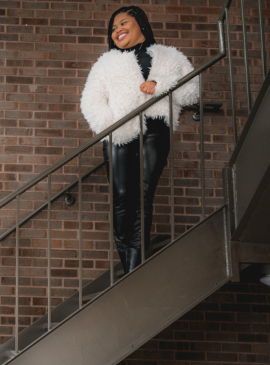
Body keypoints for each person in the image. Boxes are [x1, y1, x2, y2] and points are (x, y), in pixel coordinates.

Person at [80, 6, 199, 274]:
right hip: (119, 135)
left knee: (143, 195)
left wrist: (159, 84)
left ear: (141, 25)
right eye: (113, 28)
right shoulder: (106, 62)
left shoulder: (170, 56)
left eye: (123, 23)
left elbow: (192, 90)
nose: (117, 30)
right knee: (123, 196)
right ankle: (133, 269)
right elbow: (90, 101)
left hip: (156, 129)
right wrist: (112, 127)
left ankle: (134, 270)